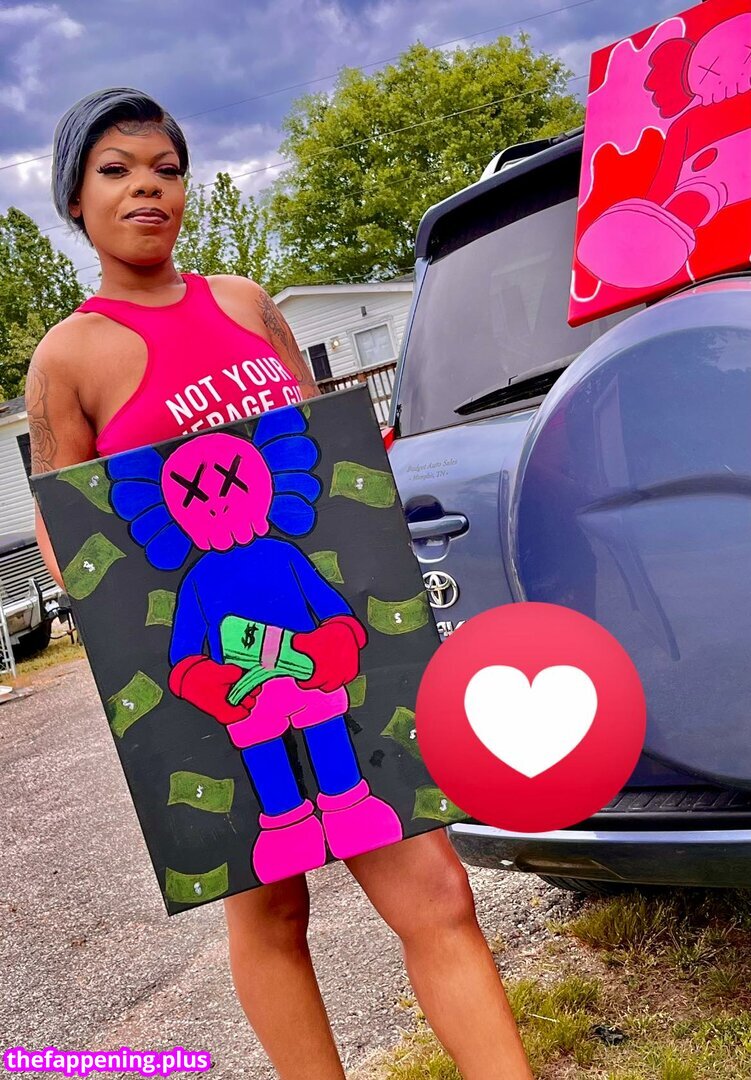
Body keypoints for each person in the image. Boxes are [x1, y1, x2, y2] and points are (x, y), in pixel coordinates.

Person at [28, 87, 533, 1080]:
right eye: (116, 170)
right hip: (217, 684)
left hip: (335, 648)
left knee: (437, 894)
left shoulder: (246, 304)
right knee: (272, 912)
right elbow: (67, 532)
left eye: (166, 170)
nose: (146, 189)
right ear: (75, 199)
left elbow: (322, 460)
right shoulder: (68, 357)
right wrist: (155, 658)